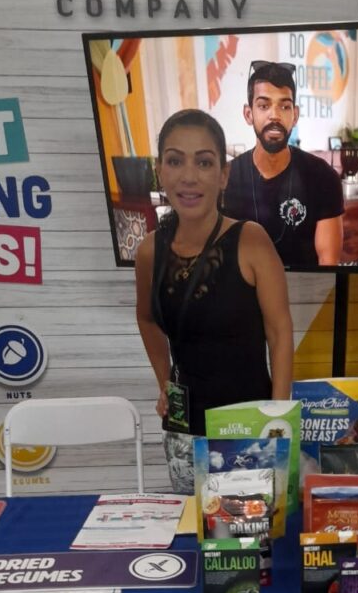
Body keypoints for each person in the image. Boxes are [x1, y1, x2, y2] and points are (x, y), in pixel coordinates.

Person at [135, 108, 294, 493]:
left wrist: (277, 419)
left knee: (252, 529)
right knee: (193, 525)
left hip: (249, 430)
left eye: (204, 162)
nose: (189, 176)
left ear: (223, 175)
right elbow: (147, 319)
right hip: (184, 432)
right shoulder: (149, 251)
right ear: (159, 171)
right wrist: (164, 384)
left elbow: (280, 332)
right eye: (175, 161)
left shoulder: (251, 240)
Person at [222, 61, 344, 267]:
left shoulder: (322, 178)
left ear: (294, 115)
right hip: (245, 288)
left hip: (304, 287)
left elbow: (328, 263)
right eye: (264, 105)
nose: (275, 115)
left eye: (284, 106)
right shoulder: (225, 179)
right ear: (248, 114)